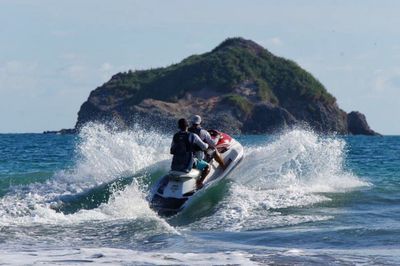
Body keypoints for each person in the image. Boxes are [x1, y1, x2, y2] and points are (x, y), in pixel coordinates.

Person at [170, 118, 209, 188]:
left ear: (179, 127)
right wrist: (207, 144)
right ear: (188, 126)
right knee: (207, 166)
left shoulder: (175, 136)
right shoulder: (193, 135)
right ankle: (199, 183)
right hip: (187, 166)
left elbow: (171, 151)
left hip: (174, 166)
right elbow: (204, 147)